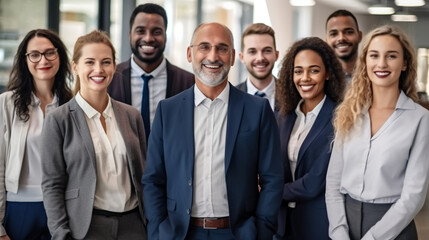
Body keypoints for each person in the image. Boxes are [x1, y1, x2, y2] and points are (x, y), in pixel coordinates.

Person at [142, 22, 283, 240]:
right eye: (204, 47)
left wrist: (261, 230)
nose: (213, 56)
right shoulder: (167, 111)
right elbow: (153, 180)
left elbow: (272, 178)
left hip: (238, 233)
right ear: (190, 54)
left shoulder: (258, 110)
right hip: (181, 233)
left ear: (233, 56)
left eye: (222, 48)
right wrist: (158, 230)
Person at [41, 30, 147, 240]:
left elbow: (144, 176)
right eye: (89, 62)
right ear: (75, 67)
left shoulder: (132, 116)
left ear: (114, 67)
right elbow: (52, 185)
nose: (98, 69)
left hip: (134, 226)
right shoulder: (58, 120)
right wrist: (61, 234)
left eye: (106, 62)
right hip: (87, 228)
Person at [326, 25, 429, 240]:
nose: (381, 63)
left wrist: (374, 238)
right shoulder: (349, 112)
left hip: (394, 229)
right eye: (374, 55)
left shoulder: (420, 119)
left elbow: (414, 196)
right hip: (346, 224)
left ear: (404, 64)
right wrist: (338, 231)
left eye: (391, 56)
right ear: (365, 62)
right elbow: (333, 184)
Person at [0, 29, 73, 240]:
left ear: (60, 56)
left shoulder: (72, 105)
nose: (43, 60)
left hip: (62, 207)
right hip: (19, 208)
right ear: (25, 60)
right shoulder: (6, 104)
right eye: (35, 54)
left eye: (50, 52)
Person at [274, 37, 345, 240]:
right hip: (282, 225)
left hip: (317, 225)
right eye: (298, 71)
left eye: (314, 70)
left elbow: (316, 180)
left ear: (328, 73)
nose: (305, 78)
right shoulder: (285, 116)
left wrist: (271, 191)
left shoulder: (339, 118)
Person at [108, 3, 194, 141]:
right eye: (141, 31)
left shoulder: (189, 82)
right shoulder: (110, 78)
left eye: (156, 32)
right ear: (130, 35)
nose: (148, 38)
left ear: (165, 36)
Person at [236, 23, 279, 111]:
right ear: (242, 57)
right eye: (252, 51)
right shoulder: (231, 97)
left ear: (276, 55)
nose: (260, 58)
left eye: (267, 51)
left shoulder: (293, 96)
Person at [325, 9, 362, 83]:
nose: (341, 38)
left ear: (359, 36)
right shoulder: (322, 77)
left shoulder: (373, 73)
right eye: (334, 34)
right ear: (327, 40)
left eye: (348, 32)